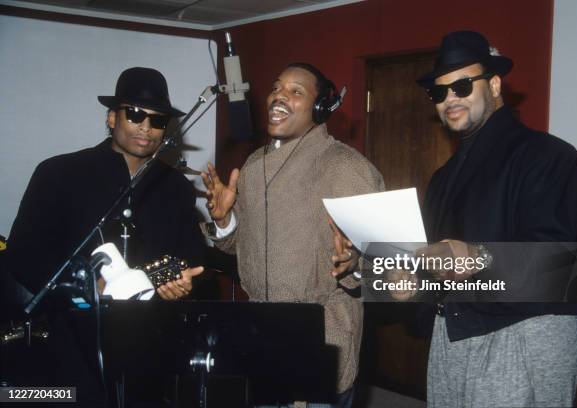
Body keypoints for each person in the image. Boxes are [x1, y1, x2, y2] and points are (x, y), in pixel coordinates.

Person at [2, 66, 206, 406]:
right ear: (112, 118)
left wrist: (183, 284)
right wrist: (82, 286)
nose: (146, 127)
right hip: (66, 341)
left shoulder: (176, 188)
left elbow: (191, 259)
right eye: (135, 115)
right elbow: (24, 254)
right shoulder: (58, 173)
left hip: (147, 348)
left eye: (157, 121)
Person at [412, 31, 577, 407]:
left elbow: (561, 265)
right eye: (439, 92)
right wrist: (374, 273)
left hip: (525, 332)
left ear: (494, 85)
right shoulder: (443, 178)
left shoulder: (549, 157)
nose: (450, 99)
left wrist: (474, 254)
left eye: (462, 85)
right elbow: (430, 271)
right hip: (452, 331)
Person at [201, 62, 385, 407]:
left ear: (320, 107)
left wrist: (355, 263)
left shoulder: (347, 167)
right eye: (275, 88)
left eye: (295, 91)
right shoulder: (253, 166)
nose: (278, 97)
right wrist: (225, 222)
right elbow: (240, 246)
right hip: (259, 334)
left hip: (321, 335)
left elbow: (391, 263)